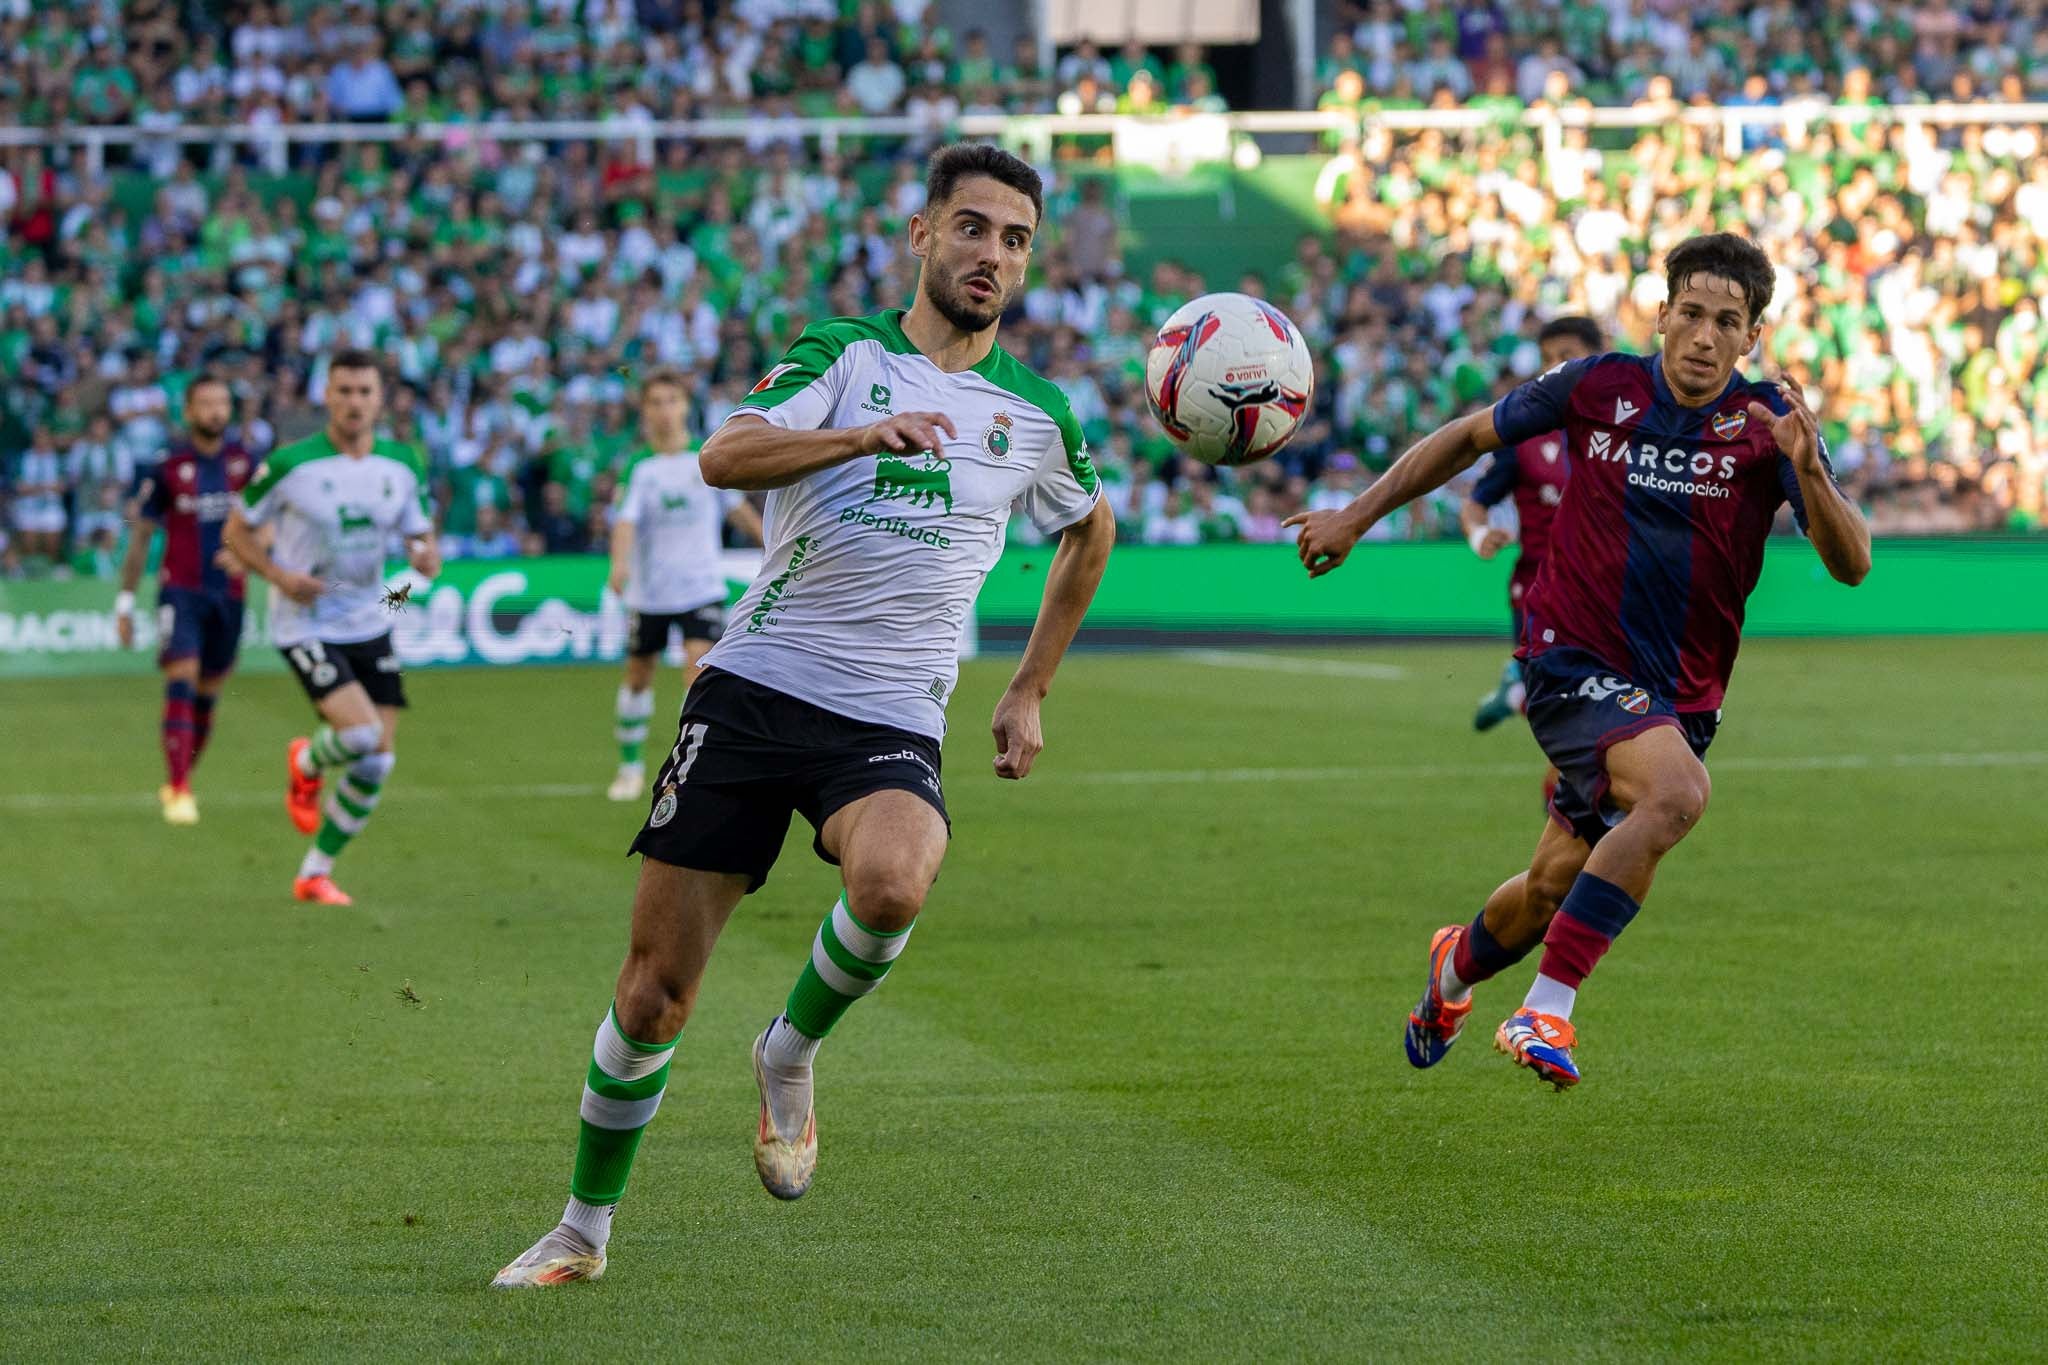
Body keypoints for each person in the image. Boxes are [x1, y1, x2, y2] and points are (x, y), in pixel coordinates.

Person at [494, 142, 1116, 1288]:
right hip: (753, 687)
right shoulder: (843, 355)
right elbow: (722, 453)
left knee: (893, 881)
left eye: (1015, 239)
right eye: (972, 228)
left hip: (887, 713)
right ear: (921, 236)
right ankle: (583, 1228)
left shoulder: (1034, 415)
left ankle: (788, 1049)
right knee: (651, 992)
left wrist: (1029, 685)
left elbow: (1088, 530)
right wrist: (853, 435)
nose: (993, 255)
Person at [1286, 233, 1870, 1090]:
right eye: (1693, 314)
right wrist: (1357, 514)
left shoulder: (1765, 430)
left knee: (1549, 890)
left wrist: (1808, 468)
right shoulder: (1599, 386)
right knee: (1676, 795)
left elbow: (1851, 562)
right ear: (1663, 314)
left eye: (1728, 323)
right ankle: (1545, 1008)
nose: (1705, 336)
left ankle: (1452, 971)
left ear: (1753, 339)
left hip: (1679, 701)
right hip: (1569, 661)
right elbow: (1469, 437)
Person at [222, 350, 442, 906]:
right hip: (304, 622)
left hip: (369, 618)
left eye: (364, 392)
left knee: (378, 757)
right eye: (344, 391)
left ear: (380, 399)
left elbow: (421, 536)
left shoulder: (402, 461)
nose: (354, 402)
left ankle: (314, 872)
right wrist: (275, 573)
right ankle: (304, 761)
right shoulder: (289, 465)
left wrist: (424, 555)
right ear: (327, 395)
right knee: (361, 735)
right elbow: (236, 531)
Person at [604, 368, 764, 803]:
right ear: (644, 411)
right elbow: (624, 522)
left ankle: (682, 767)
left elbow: (737, 509)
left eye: (671, 401)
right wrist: (618, 566)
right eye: (655, 402)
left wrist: (772, 543)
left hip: (700, 588)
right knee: (638, 678)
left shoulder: (706, 456)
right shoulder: (639, 466)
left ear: (685, 406)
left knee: (696, 677)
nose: (664, 411)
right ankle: (630, 766)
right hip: (650, 593)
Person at [115, 376, 255, 825]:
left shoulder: (246, 463)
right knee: (182, 675)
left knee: (208, 691)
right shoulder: (167, 466)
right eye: (206, 403)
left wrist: (250, 556)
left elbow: (270, 522)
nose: (216, 410)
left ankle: (181, 778)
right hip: (181, 589)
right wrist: (124, 602)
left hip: (230, 594)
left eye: (222, 402)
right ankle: (178, 787)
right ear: (189, 412)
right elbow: (140, 538)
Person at [1464, 317, 1603, 732]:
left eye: (1566, 356)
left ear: (1600, 358)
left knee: (1591, 705)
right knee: (1567, 707)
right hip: (1538, 589)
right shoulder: (1523, 436)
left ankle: (1516, 692)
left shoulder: (1626, 435)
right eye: (1547, 359)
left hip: (1604, 587)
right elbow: (1474, 503)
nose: (1554, 367)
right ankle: (1522, 693)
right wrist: (1479, 535)